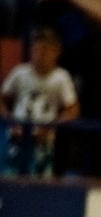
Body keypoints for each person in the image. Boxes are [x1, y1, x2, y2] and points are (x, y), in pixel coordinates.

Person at [1, 26, 78, 176]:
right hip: (17, 138)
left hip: (44, 142)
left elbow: (72, 110)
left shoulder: (61, 78)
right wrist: (10, 121)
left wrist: (51, 127)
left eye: (47, 50)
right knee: (12, 179)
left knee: (41, 182)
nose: (42, 54)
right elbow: (2, 99)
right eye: (38, 49)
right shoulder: (20, 73)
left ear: (56, 52)